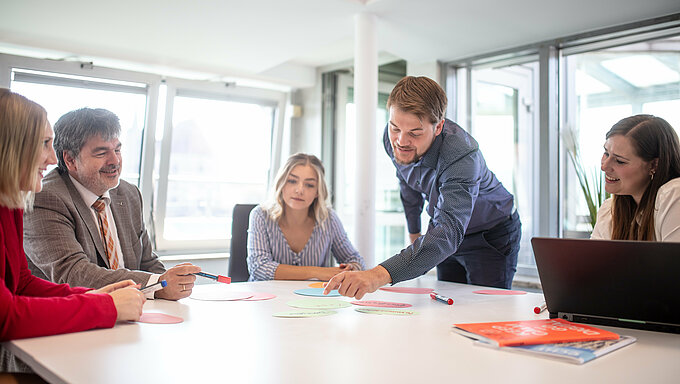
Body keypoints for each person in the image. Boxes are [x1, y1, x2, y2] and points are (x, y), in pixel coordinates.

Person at [325, 76, 521, 299]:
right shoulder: (393, 140)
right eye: (395, 128)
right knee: (447, 303)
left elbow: (447, 233)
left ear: (438, 127)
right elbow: (407, 183)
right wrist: (414, 231)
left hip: (490, 232)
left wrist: (375, 276)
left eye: (414, 133)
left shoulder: (463, 155)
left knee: (486, 310)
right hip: (446, 230)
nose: (401, 141)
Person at [0, 89, 144, 373]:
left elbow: (21, 282)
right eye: (43, 144)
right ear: (11, 147)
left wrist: (93, 297)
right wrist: (106, 307)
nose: (52, 158)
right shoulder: (43, 197)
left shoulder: (10, 202)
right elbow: (6, 317)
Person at [22, 108, 200, 300]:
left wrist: (171, 283)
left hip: (134, 314)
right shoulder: (44, 197)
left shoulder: (129, 193)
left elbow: (148, 262)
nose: (115, 160)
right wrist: (158, 285)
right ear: (70, 160)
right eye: (101, 153)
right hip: (71, 319)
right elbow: (73, 274)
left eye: (117, 150)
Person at [247, 153, 365, 281]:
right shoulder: (260, 215)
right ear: (281, 184)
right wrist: (319, 272)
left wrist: (351, 269)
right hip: (267, 297)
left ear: (317, 192)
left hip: (312, 299)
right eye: (292, 181)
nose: (299, 190)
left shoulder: (328, 218)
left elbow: (356, 260)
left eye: (309, 185)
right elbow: (259, 267)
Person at [591, 114, 680, 241]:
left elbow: (674, 260)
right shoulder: (609, 212)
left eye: (619, 161)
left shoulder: (674, 194)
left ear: (654, 165)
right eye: (606, 153)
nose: (604, 166)